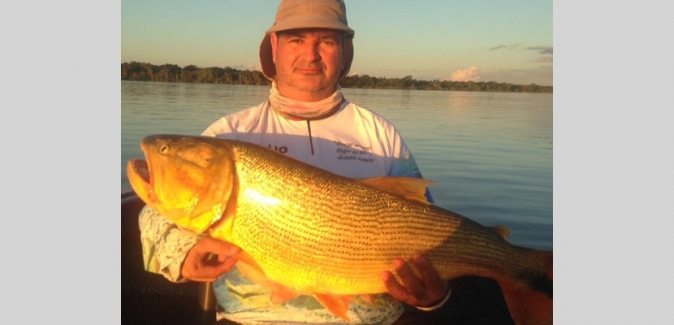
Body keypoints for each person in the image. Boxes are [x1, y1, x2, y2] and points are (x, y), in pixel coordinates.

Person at [138, 0, 450, 324]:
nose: (311, 54)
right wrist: (182, 249)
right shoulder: (229, 135)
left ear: (345, 49)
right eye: (296, 39)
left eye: (326, 41)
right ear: (274, 46)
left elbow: (430, 228)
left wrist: (433, 297)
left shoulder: (382, 136)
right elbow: (156, 209)